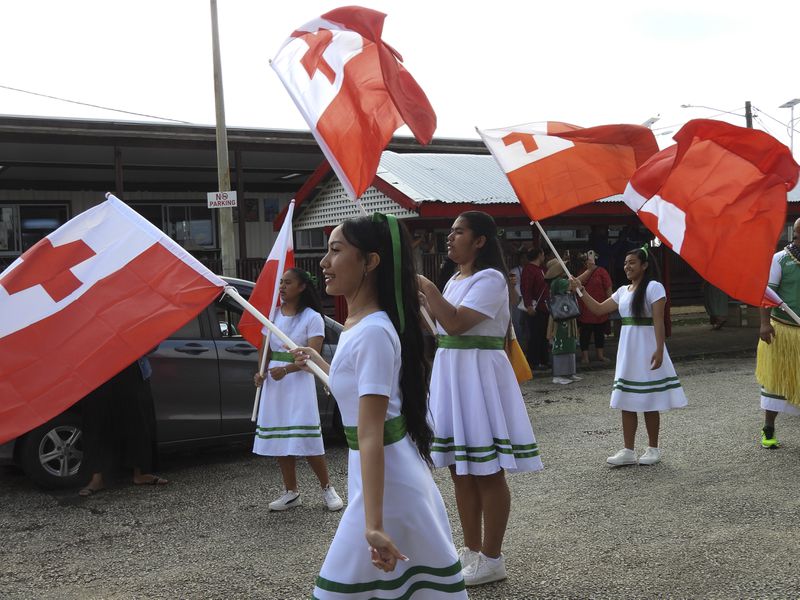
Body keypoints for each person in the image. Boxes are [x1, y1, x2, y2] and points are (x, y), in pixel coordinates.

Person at [293, 215, 467, 599]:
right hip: (381, 473)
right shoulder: (361, 323)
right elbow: (357, 395)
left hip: (387, 482)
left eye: (335, 251)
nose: (323, 262)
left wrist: (372, 524)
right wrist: (316, 362)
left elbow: (371, 429)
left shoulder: (371, 330)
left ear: (370, 262)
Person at [418, 211, 543, 587]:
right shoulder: (456, 278)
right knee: (459, 468)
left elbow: (456, 323)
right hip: (452, 372)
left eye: (459, 232)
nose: (450, 238)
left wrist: (428, 288)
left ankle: (492, 556)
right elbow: (440, 326)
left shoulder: (491, 278)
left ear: (480, 241)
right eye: (450, 232)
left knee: (487, 470)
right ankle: (470, 551)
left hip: (478, 374)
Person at [570, 245, 687, 466]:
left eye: (632, 262)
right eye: (625, 263)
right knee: (627, 399)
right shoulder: (623, 291)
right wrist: (580, 290)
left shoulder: (654, 287)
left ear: (644, 265)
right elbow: (598, 309)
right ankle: (628, 450)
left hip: (648, 348)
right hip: (628, 350)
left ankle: (653, 448)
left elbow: (659, 321)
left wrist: (660, 349)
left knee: (650, 399)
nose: (627, 267)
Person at [252, 268, 343, 512]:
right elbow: (265, 350)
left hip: (298, 382)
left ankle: (327, 488)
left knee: (307, 437)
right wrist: (260, 372)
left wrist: (288, 370)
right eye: (281, 282)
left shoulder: (312, 318)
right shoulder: (272, 316)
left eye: (288, 282)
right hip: (274, 382)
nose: (282, 287)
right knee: (282, 439)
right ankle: (291, 492)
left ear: (302, 287)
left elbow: (311, 355)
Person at [79, 356, 167, 496]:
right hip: (97, 371)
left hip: (131, 368)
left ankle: (140, 474)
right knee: (97, 424)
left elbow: (152, 344)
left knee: (138, 421)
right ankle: (97, 479)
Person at [756, 218, 800, 449]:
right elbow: (766, 294)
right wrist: (765, 324)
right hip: (783, 331)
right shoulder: (779, 259)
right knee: (776, 382)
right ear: (797, 235)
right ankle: (769, 427)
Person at [546, 257, 581, 385]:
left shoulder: (560, 281)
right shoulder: (558, 282)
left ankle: (569, 373)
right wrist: (589, 271)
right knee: (560, 344)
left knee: (569, 343)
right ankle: (559, 374)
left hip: (566, 315)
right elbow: (574, 285)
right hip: (561, 317)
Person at [576, 250, 613, 364]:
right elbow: (576, 285)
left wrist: (610, 304)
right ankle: (585, 357)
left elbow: (608, 288)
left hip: (600, 306)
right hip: (585, 308)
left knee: (599, 333)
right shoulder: (581, 272)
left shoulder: (602, 272)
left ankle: (600, 355)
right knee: (585, 334)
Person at [521, 246, 550, 369]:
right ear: (539, 254)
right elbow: (526, 288)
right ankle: (534, 360)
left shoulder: (540, 269)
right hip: (535, 307)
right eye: (543, 254)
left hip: (544, 306)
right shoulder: (529, 270)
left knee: (543, 335)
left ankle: (543, 359)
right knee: (535, 335)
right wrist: (528, 305)